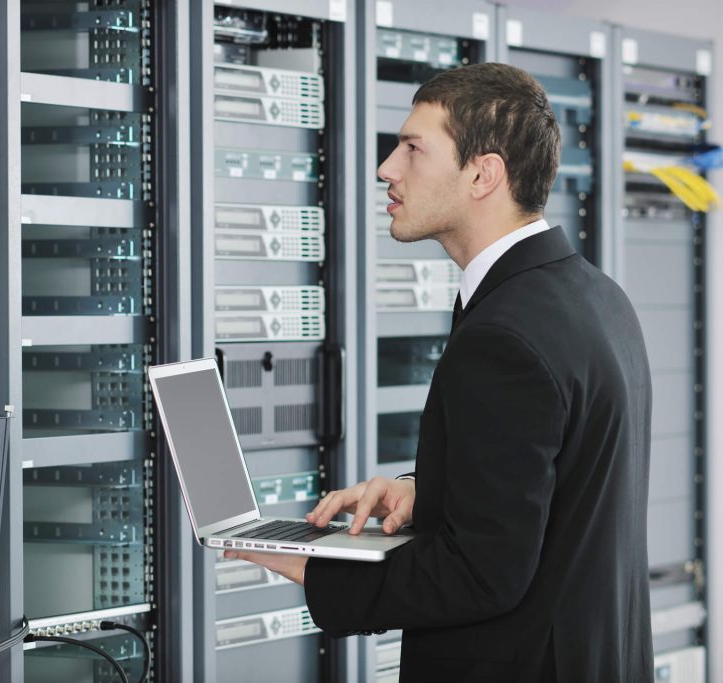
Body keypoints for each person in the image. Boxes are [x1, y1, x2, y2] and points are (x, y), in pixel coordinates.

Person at [224, 62, 653, 682]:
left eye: (413, 149)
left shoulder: (504, 335)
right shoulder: (594, 295)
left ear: (483, 174)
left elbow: (485, 575)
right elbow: (563, 489)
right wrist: (431, 492)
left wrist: (323, 569)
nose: (386, 169)